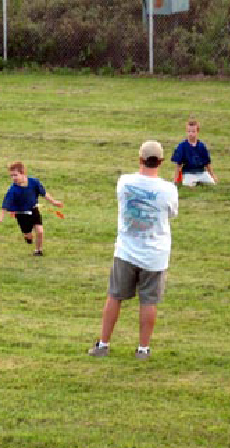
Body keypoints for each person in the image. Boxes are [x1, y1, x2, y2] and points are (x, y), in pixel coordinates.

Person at [88, 141, 178, 360]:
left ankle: (103, 344)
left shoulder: (125, 182)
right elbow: (171, 213)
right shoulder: (168, 189)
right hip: (155, 255)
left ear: (140, 159)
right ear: (161, 162)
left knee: (114, 296)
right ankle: (143, 349)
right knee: (148, 301)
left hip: (126, 251)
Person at [0, 161, 63, 256]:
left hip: (34, 210)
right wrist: (0, 218)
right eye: (11, 176)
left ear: (23, 173)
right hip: (22, 214)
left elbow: (44, 193)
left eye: (15, 175)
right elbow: (5, 205)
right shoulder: (13, 190)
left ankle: (38, 251)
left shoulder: (34, 182)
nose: (13, 178)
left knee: (40, 231)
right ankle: (28, 237)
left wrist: (54, 202)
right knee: (28, 235)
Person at [172, 120, 218, 187]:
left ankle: (200, 181)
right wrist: (175, 180)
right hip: (188, 173)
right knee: (188, 185)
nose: (191, 134)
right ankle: (195, 182)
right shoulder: (182, 146)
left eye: (193, 131)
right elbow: (178, 165)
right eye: (189, 131)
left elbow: (207, 164)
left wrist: (213, 176)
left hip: (201, 172)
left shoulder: (202, 146)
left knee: (211, 184)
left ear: (197, 132)